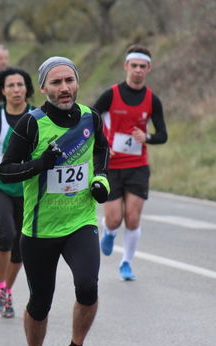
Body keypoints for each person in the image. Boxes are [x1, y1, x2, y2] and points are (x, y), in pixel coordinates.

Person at [0, 57, 110, 346]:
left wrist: (100, 178)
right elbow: (4, 172)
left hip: (80, 221)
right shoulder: (31, 125)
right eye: (56, 82)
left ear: (77, 83)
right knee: (40, 303)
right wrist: (40, 164)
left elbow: (102, 150)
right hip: (39, 229)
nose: (64, 88)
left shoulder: (90, 118)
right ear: (44, 88)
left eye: (70, 81)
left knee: (88, 286)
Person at [93, 45, 168, 280]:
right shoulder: (110, 95)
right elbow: (90, 122)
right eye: (134, 66)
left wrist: (147, 137)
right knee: (114, 219)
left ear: (148, 69)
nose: (137, 71)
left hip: (137, 166)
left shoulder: (152, 100)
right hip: (112, 166)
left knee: (133, 219)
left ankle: (126, 263)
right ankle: (110, 232)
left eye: (142, 67)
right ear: (126, 66)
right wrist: (103, 145)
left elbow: (163, 134)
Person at [0, 68, 35, 318]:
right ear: (2, 90)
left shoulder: (36, 116)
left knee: (20, 246)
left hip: (26, 187)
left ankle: (8, 291)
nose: (15, 90)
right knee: (6, 234)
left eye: (20, 85)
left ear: (27, 89)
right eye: (10, 85)